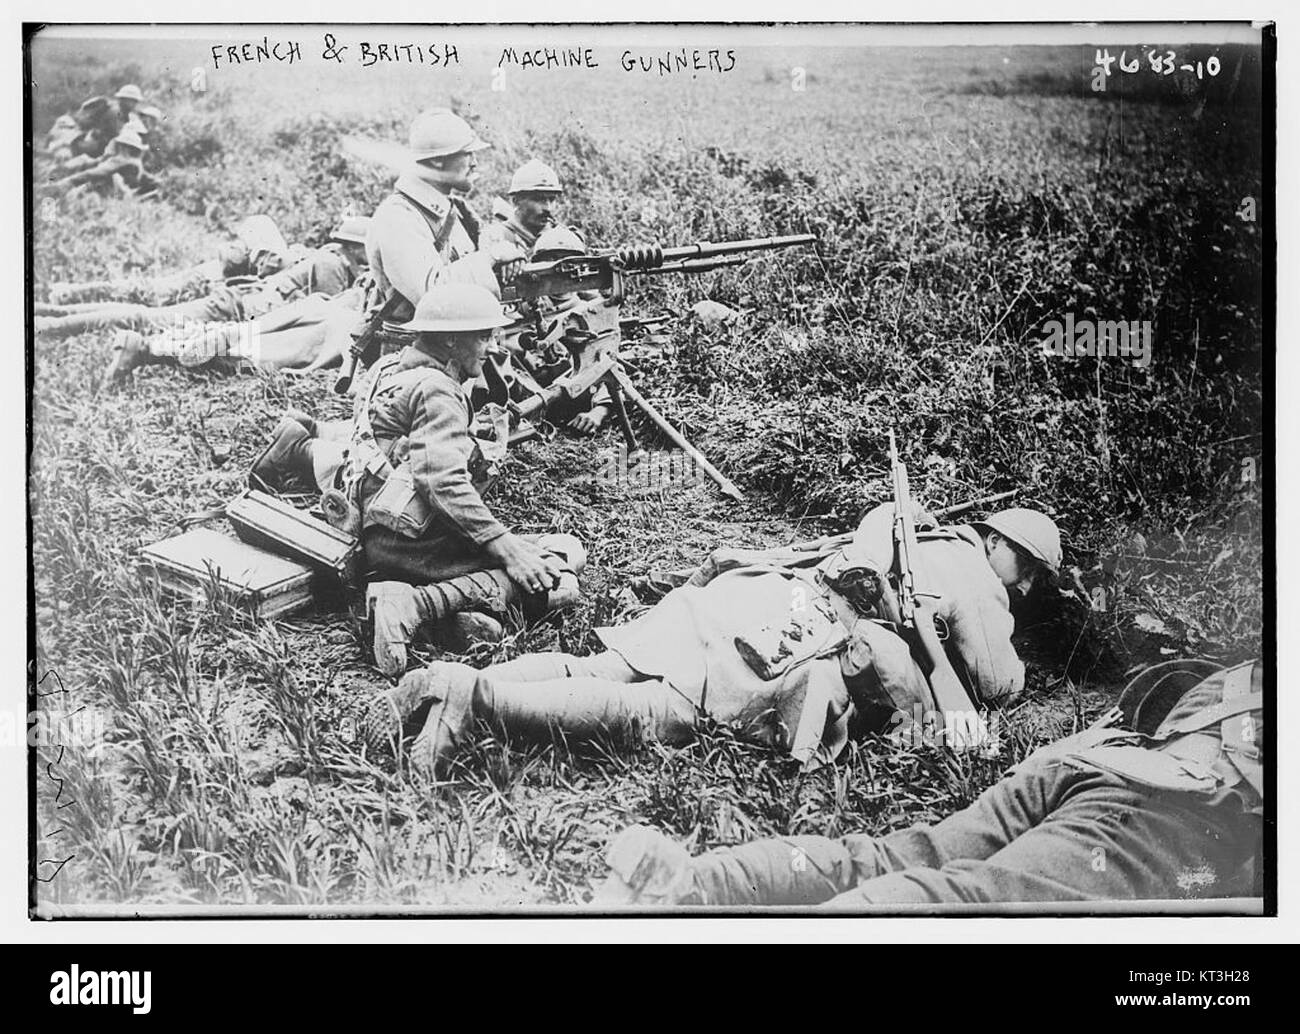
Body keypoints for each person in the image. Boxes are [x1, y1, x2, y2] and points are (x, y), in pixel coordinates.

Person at [365, 502, 1062, 778]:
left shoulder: (906, 526)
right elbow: (997, 683)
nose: (1025, 585)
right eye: (1028, 569)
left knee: (600, 666)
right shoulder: (976, 575)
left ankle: (445, 686)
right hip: (793, 637)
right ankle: (472, 697)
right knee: (650, 714)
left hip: (757, 593)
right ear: (999, 545)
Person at [598, 659, 1264, 906]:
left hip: (1103, 753)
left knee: (897, 860)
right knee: (972, 904)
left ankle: (687, 886)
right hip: (1189, 796)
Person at [255, 282, 586, 669]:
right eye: (483, 336)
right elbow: (442, 482)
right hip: (412, 546)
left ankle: (451, 620)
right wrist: (506, 547)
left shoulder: (387, 369)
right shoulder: (437, 390)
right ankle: (413, 604)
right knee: (563, 569)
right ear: (450, 340)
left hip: (375, 534)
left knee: (534, 569)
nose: (493, 347)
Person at [102, 218, 373, 382]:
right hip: (243, 304)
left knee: (241, 343)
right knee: (251, 355)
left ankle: (150, 347)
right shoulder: (333, 264)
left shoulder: (336, 263)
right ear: (356, 246)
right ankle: (145, 347)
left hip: (253, 305)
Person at [39, 217, 357, 346]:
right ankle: (52, 323)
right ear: (356, 247)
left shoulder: (325, 258)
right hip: (233, 307)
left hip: (236, 302)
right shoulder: (332, 264)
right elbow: (322, 316)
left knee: (144, 314)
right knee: (145, 318)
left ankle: (55, 313)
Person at [44, 126, 150, 198]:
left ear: (123, 146)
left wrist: (68, 182)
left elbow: (94, 173)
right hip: (123, 194)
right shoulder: (134, 162)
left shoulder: (121, 160)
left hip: (111, 194)